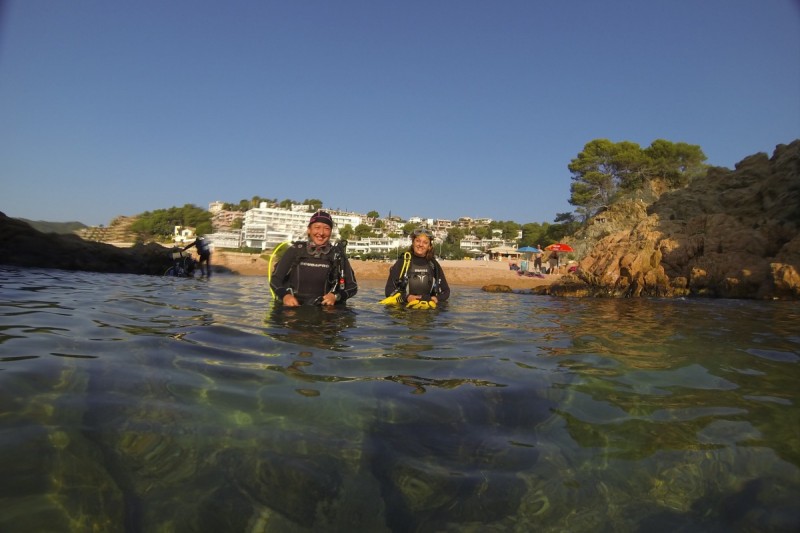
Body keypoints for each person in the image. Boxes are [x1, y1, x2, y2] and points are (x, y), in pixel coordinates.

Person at [269, 210, 358, 306]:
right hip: (293, 310)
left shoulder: (337, 255)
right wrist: (285, 295)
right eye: (317, 227)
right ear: (309, 230)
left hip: (324, 313)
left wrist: (335, 296)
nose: (321, 232)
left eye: (327, 228)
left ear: (331, 232)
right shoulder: (295, 250)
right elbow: (275, 280)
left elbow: (352, 287)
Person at [384, 227, 450, 308]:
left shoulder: (433, 264)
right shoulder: (403, 262)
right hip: (404, 310)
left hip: (428, 310)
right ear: (413, 243)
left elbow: (446, 291)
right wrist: (407, 298)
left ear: (429, 246)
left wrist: (436, 298)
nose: (421, 245)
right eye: (418, 241)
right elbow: (388, 291)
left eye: (425, 242)